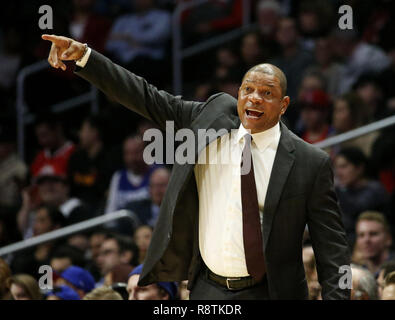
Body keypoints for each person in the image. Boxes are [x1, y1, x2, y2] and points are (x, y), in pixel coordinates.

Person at [41, 34, 350, 300]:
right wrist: (86, 57)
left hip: (273, 292)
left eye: (266, 93)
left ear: (283, 105)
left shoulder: (310, 162)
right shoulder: (213, 115)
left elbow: (331, 249)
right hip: (207, 289)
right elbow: (146, 96)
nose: (254, 99)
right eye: (247, 90)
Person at [334, 148, 391, 243]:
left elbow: (357, 210)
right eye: (336, 168)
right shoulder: (343, 191)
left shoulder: (375, 189)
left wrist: (339, 190)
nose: (338, 173)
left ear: (359, 168)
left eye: (343, 167)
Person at [354, 211, 394, 275]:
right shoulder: (355, 273)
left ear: (388, 239)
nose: (366, 240)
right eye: (361, 235)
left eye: (373, 234)